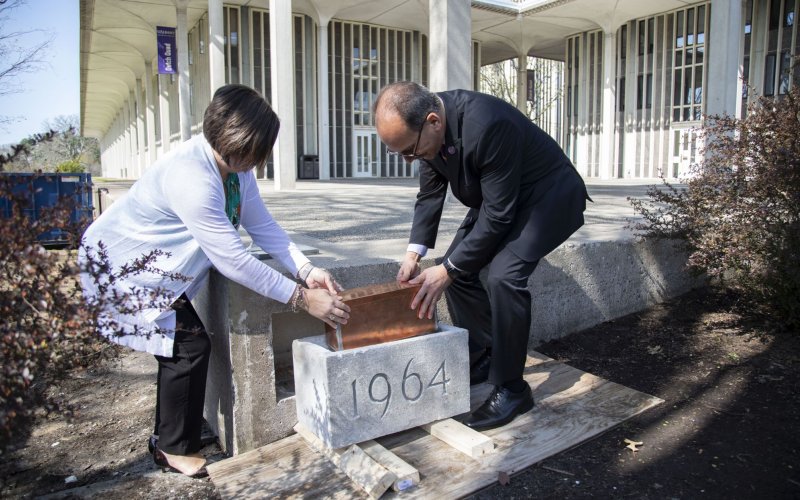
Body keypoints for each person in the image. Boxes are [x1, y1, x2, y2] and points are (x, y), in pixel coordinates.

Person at [79, 84, 350, 477]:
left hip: (158, 267)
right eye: (258, 149)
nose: (260, 161)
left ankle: (167, 438)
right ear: (239, 141)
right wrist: (302, 299)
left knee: (179, 347)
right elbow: (232, 260)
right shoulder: (192, 175)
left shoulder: (236, 171)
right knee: (186, 347)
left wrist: (307, 270)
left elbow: (263, 227)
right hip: (123, 264)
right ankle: (172, 447)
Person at [373, 81, 590, 431]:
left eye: (410, 151)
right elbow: (430, 196)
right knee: (457, 270)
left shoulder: (488, 124)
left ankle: (511, 388)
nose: (410, 159)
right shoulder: (426, 138)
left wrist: (449, 269)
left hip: (547, 196)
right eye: (400, 154)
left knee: (504, 276)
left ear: (433, 121)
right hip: (501, 199)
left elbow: (500, 216)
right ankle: (486, 354)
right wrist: (414, 253)